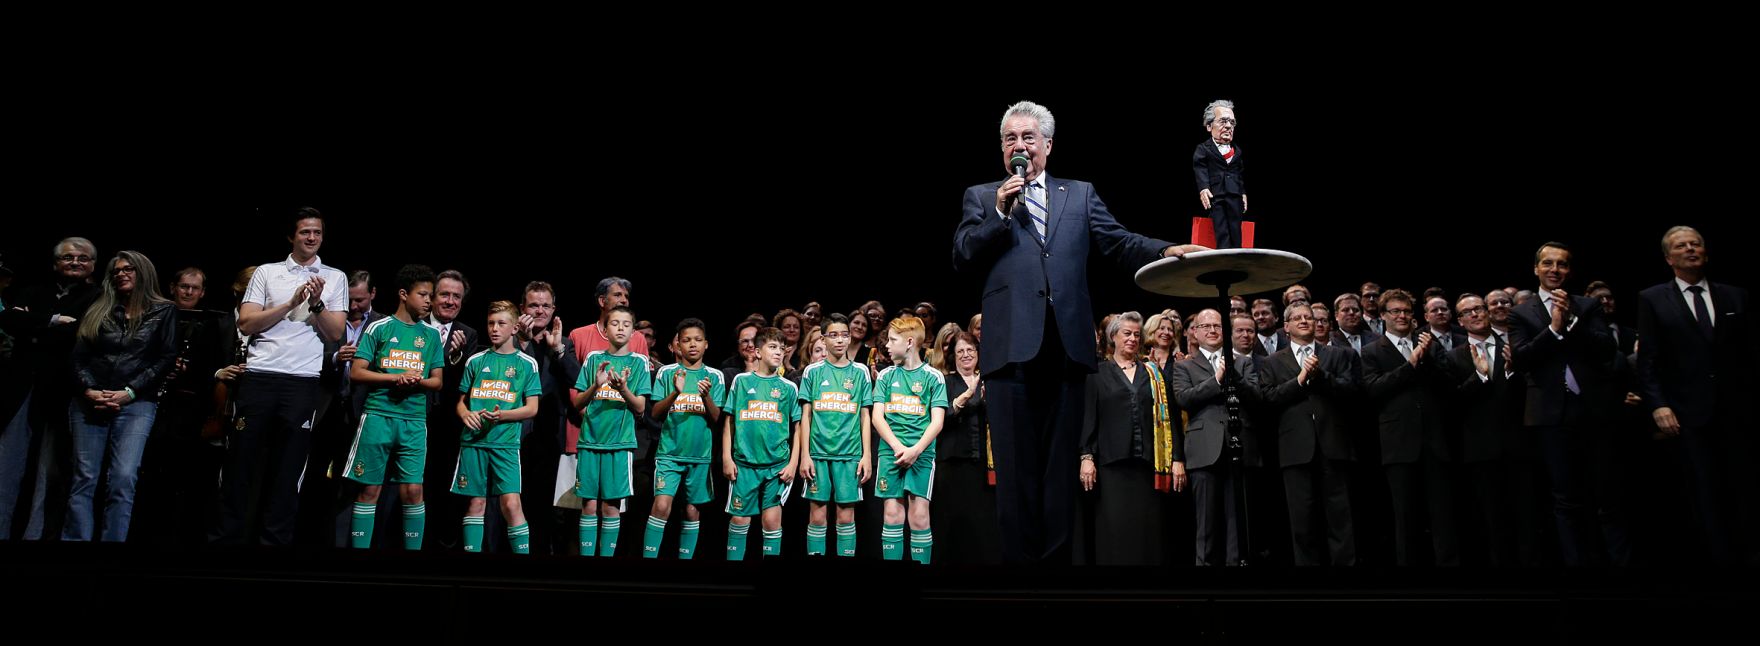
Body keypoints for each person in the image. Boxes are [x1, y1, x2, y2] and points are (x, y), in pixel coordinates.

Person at [952, 100, 1202, 563]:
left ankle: (1054, 580)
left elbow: (1119, 241)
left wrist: (1164, 248)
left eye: (1029, 137)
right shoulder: (984, 196)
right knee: (1015, 470)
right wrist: (1000, 213)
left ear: (1047, 144)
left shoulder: (1079, 193)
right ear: (1002, 148)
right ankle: (1018, 578)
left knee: (1057, 473)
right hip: (1010, 353)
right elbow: (963, 254)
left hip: (1065, 352)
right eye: (1011, 139)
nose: (1019, 146)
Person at [214, 209, 347, 545]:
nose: (312, 238)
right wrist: (290, 302)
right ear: (291, 237)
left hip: (301, 382)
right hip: (260, 377)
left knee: (288, 471)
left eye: (317, 232)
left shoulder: (335, 277)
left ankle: (274, 544)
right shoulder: (267, 273)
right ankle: (227, 539)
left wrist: (316, 304)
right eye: (305, 232)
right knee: (240, 464)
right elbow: (246, 323)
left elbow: (334, 333)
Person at [1637, 227, 1754, 564]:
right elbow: (1649, 359)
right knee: (1704, 490)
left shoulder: (1735, 296)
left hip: (1736, 410)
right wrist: (1658, 404)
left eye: (1696, 243)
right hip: (1688, 411)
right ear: (1668, 258)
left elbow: (1748, 355)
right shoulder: (1653, 298)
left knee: (1743, 487)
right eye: (1681, 246)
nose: (1690, 249)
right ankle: (1717, 563)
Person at [1510, 242, 1626, 566]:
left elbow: (1606, 349)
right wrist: (1553, 330)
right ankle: (1576, 567)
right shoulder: (1521, 312)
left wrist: (1572, 322)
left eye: (1561, 264)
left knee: (1606, 494)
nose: (1554, 270)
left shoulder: (1587, 306)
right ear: (1536, 269)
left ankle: (1618, 565)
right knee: (1565, 498)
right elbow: (1521, 358)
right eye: (1547, 263)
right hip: (1550, 414)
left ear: (1569, 271)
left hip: (1593, 410)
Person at [64, 251, 177, 541]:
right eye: (116, 271)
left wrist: (129, 391)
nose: (121, 274)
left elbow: (165, 358)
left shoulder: (163, 310)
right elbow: (78, 357)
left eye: (128, 269)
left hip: (136, 403)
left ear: (143, 273)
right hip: (90, 401)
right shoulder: (98, 306)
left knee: (123, 478)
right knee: (84, 478)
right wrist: (89, 390)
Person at [345, 264, 444, 550]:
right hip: (378, 415)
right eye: (423, 294)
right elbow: (357, 372)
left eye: (431, 295)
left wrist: (417, 382)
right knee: (370, 489)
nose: (429, 301)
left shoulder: (431, 335)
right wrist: (393, 378)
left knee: (414, 490)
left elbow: (437, 381)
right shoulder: (380, 327)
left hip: (413, 420)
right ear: (403, 294)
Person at [1361, 291, 1460, 566]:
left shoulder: (1430, 344)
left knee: (1444, 515)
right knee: (1405, 517)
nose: (1402, 316)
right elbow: (1373, 390)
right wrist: (1410, 363)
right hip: (1399, 443)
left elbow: (1449, 384)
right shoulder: (1371, 351)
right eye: (1395, 311)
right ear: (1382, 316)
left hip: (1435, 440)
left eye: (1406, 311)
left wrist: (1425, 357)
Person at [1082, 312, 1184, 565]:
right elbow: (1088, 420)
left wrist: (1177, 459)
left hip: (1148, 464)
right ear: (1112, 337)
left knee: (1149, 531)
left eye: (1136, 335)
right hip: (1111, 466)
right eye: (1126, 333)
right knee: (1115, 530)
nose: (1132, 339)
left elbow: (1170, 418)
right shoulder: (1096, 374)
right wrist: (1086, 456)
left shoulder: (1152, 374)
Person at [453, 300, 541, 554]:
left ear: (515, 328)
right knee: (476, 503)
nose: (494, 328)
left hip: (506, 444)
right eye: (491, 323)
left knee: (512, 504)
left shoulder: (526, 363)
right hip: (474, 442)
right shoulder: (476, 360)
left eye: (501, 323)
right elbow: (461, 402)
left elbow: (532, 408)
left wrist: (503, 415)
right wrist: (465, 414)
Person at [569, 305, 651, 557]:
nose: (620, 328)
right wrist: (596, 385)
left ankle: (607, 564)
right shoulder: (594, 358)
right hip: (590, 441)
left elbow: (640, 408)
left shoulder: (638, 362)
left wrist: (623, 389)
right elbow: (578, 403)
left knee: (611, 507)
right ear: (606, 328)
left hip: (619, 444)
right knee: (589, 505)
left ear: (633, 331)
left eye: (626, 324)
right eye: (615, 323)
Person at [642, 318, 725, 559]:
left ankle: (685, 563)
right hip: (669, 454)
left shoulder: (715, 376)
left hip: (699, 456)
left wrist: (706, 396)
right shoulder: (667, 373)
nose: (692, 345)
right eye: (686, 340)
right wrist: (675, 393)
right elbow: (655, 413)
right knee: (661, 506)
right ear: (677, 344)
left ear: (706, 344)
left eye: (698, 340)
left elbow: (717, 418)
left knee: (692, 511)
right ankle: (648, 559)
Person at [870, 316, 947, 563]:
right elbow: (877, 418)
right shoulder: (885, 376)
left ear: (910, 342)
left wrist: (915, 450)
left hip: (921, 454)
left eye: (893, 340)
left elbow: (937, 422)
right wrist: (897, 447)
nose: (888, 346)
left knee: (919, 515)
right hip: (890, 452)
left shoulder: (933, 377)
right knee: (892, 513)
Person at [797, 313, 872, 557]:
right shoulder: (812, 371)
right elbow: (805, 416)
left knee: (845, 515)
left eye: (844, 335)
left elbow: (865, 416)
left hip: (850, 455)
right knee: (817, 515)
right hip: (817, 454)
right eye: (834, 335)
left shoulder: (860, 372)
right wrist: (805, 456)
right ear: (824, 338)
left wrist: (867, 455)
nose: (840, 340)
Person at [721, 328, 799, 560]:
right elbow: (729, 422)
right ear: (757, 351)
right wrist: (727, 457)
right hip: (744, 464)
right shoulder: (741, 382)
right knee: (739, 519)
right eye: (772, 347)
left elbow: (799, 427)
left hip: (777, 466)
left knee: (772, 521)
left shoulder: (788, 387)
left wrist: (793, 463)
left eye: (781, 348)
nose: (778, 352)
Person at [1193, 99, 1247, 249]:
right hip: (1217, 196)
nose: (1229, 126)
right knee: (1221, 228)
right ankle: (1223, 258)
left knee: (1236, 229)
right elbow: (1200, 169)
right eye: (1223, 121)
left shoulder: (1237, 151)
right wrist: (1204, 188)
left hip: (1234, 195)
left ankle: (1236, 256)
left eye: (1232, 122)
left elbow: (1239, 173)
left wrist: (1242, 192)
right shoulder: (1204, 149)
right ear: (1209, 126)